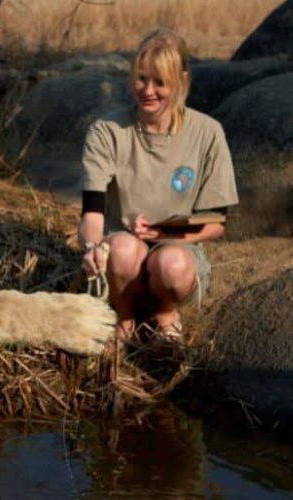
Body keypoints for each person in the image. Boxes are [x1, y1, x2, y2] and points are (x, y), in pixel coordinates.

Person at [78, 28, 238, 343]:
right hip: (124, 246)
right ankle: (124, 318)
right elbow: (92, 213)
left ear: (181, 81)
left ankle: (165, 314)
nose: (148, 90)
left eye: (160, 82)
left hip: (178, 247)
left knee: (171, 263)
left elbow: (217, 222)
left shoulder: (208, 133)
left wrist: (164, 234)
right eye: (141, 78)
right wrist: (91, 248)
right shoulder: (107, 131)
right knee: (121, 250)